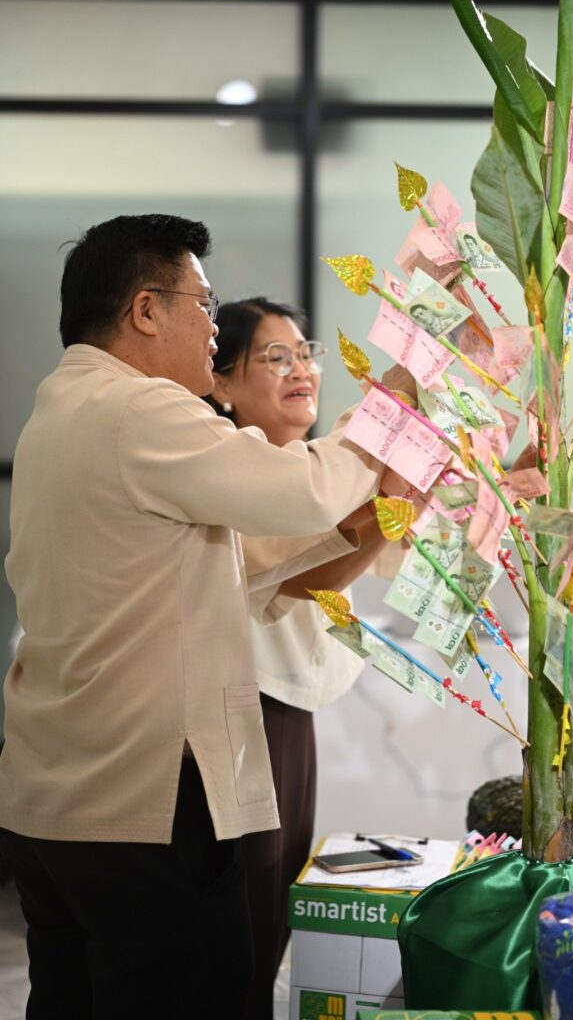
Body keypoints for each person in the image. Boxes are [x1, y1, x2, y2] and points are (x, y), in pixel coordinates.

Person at [0, 214, 416, 1020]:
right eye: (204, 302)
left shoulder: (62, 409)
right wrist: (388, 414)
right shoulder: (140, 410)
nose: (213, 324)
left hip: (58, 793)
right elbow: (298, 492)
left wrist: (378, 507)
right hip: (144, 798)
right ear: (145, 311)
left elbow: (257, 562)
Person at [207, 297, 392, 1020]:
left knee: (275, 892)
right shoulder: (236, 470)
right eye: (274, 357)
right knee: (247, 901)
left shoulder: (310, 470)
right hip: (245, 704)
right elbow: (304, 575)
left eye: (305, 354)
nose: (302, 371)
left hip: (289, 705)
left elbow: (348, 554)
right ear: (222, 382)